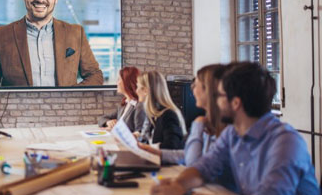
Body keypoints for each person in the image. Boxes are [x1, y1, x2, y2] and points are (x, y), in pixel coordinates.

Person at [151, 62, 319, 195]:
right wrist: (178, 185)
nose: (215, 102)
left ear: (236, 103)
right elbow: (203, 168)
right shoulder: (233, 133)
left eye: (220, 96)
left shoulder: (286, 142)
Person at [136, 71, 187, 149]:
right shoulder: (154, 113)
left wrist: (148, 148)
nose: (136, 91)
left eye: (138, 87)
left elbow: (171, 146)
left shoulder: (169, 114)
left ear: (146, 90)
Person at [98, 67, 146, 132]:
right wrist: (108, 122)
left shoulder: (139, 106)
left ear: (127, 82)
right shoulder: (124, 104)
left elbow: (140, 133)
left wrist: (116, 130)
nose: (117, 83)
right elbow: (102, 118)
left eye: (119, 79)